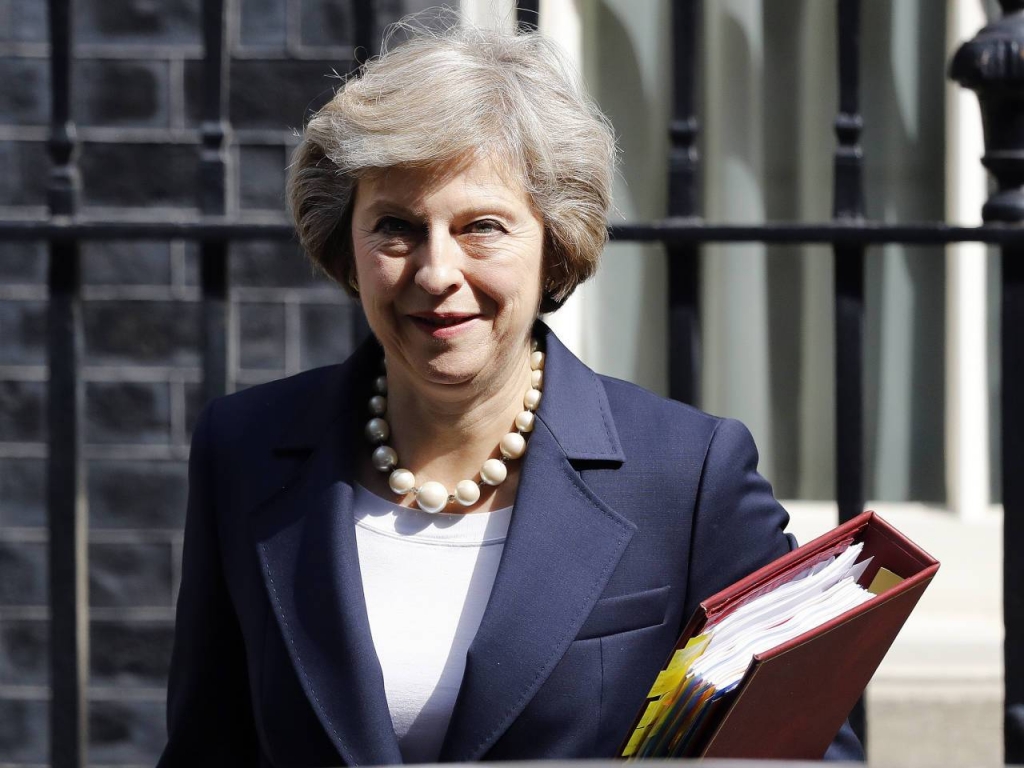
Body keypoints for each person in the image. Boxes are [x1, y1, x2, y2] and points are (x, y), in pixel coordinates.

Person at [158, 18, 862, 767]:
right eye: (395, 227)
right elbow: (208, 745)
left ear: (554, 239)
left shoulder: (688, 474)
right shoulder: (244, 450)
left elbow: (803, 753)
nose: (436, 273)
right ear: (345, 242)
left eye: (481, 226)